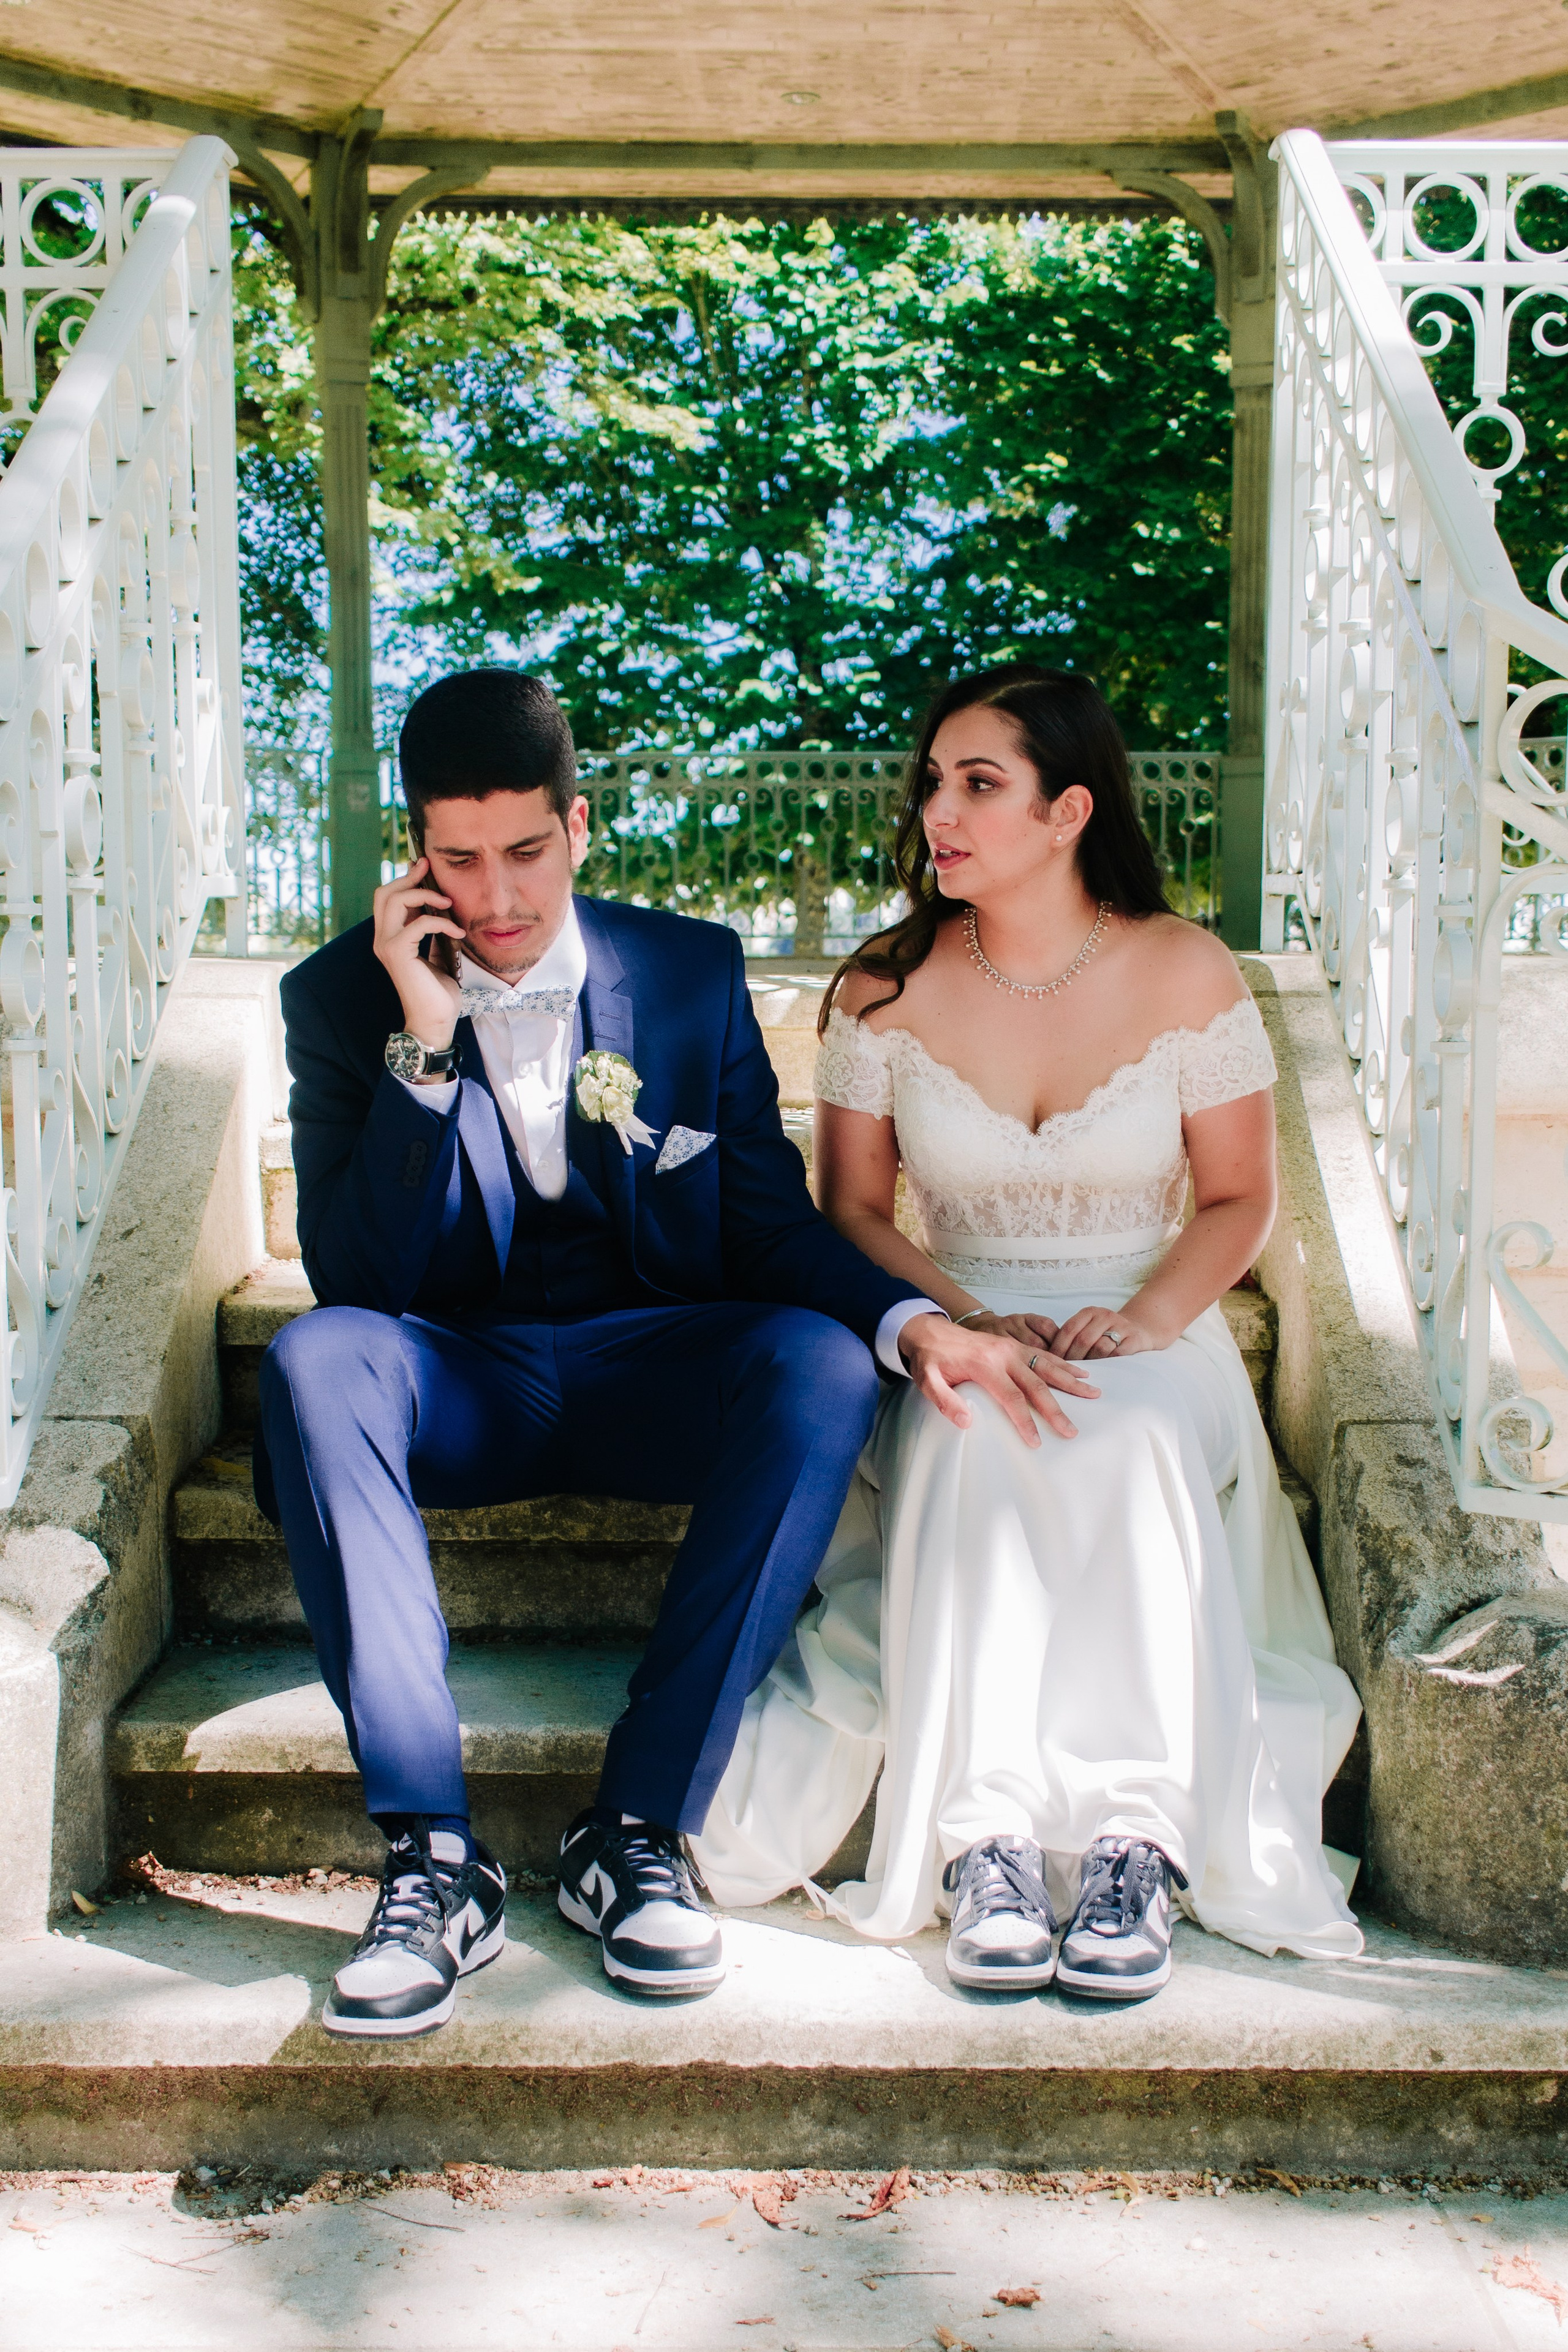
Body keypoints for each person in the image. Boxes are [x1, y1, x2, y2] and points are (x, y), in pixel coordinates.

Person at [254, 667, 1085, 2038]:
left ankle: (635, 1830)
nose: (497, 899)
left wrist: (911, 1319)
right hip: (454, 1374)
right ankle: (432, 1863)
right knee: (315, 1356)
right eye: (457, 862)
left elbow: (766, 1222)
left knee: (817, 1362)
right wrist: (423, 1039)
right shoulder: (343, 997)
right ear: (417, 857)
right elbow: (360, 1275)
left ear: (577, 828)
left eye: (525, 853)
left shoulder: (690, 976)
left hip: (646, 1366)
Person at [693, 663, 1364, 1999]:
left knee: (1121, 1440)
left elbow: (1236, 1198)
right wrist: (961, 1316)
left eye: (978, 784)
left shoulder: (1182, 969)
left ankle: (1138, 1843)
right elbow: (853, 1211)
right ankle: (981, 1839)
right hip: (967, 1317)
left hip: (1147, 1324)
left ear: (1066, 811)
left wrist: (1142, 1320)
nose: (937, 810)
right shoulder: (879, 991)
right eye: (932, 782)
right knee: (983, 1429)